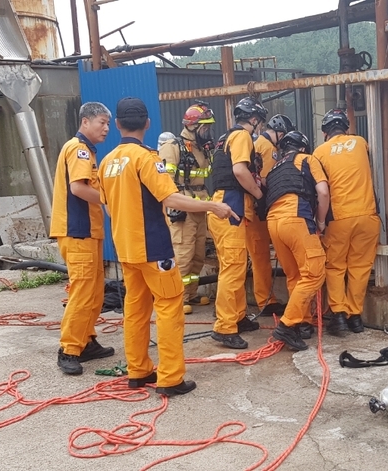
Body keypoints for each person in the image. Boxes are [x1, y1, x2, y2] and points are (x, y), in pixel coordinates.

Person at [97, 97, 237, 395]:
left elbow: (106, 206)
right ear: (147, 124)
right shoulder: (146, 158)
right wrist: (213, 206)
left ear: (117, 125)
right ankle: (171, 378)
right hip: (154, 247)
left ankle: (138, 371)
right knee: (170, 307)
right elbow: (170, 197)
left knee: (135, 310)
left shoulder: (107, 162)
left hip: (126, 249)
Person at [50, 102, 116, 376]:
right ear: (85, 121)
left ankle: (86, 340)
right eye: (102, 122)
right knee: (82, 291)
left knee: (94, 291)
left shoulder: (86, 151)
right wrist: (110, 199)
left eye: (108, 123)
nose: (106, 128)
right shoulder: (78, 149)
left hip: (88, 232)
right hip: (77, 230)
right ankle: (69, 349)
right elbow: (78, 188)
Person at [206, 96, 268, 349]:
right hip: (230, 208)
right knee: (233, 269)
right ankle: (225, 327)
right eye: (259, 123)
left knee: (235, 267)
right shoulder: (242, 136)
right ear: (254, 120)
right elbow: (240, 171)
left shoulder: (225, 138)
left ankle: (238, 316)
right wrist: (259, 194)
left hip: (224, 207)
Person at [312, 109, 381, 335]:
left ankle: (339, 315)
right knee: (360, 267)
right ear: (346, 128)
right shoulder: (361, 142)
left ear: (325, 133)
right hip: (367, 216)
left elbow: (320, 189)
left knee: (335, 266)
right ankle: (355, 317)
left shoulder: (319, 152)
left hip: (339, 218)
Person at [263, 131, 329, 350]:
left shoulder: (273, 169)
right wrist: (320, 222)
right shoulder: (308, 159)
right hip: (296, 219)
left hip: (274, 223)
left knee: (295, 275)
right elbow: (323, 192)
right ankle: (287, 324)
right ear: (302, 148)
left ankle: (303, 322)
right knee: (314, 273)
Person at [158, 102, 215, 314]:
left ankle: (190, 293)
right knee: (183, 254)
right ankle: (177, 298)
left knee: (198, 255)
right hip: (183, 209)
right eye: (205, 127)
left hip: (200, 207)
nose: (207, 132)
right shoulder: (173, 147)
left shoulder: (201, 148)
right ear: (192, 126)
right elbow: (164, 181)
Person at [247, 114, 295, 316]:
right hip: (257, 210)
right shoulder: (267, 148)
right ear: (280, 133)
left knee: (261, 257)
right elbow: (267, 179)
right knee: (260, 257)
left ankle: (266, 299)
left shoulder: (261, 144)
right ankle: (265, 301)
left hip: (257, 209)